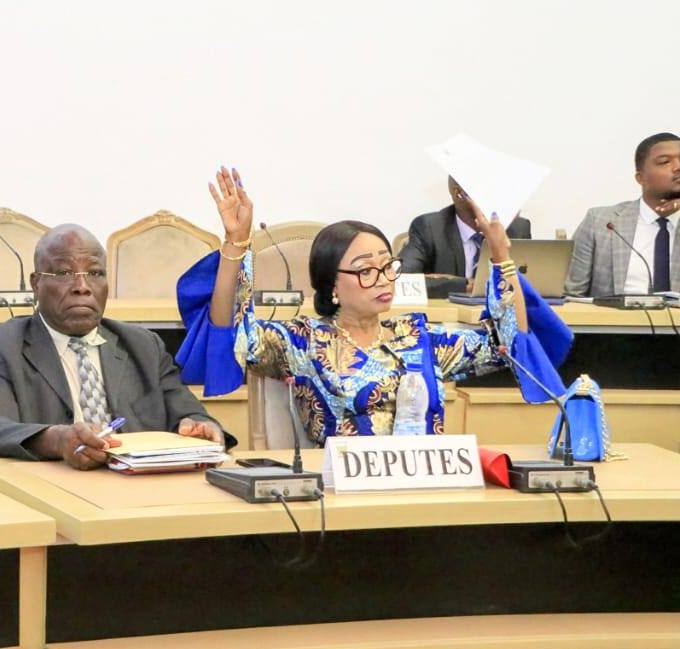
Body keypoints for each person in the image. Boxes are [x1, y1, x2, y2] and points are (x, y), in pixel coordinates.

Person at [174, 167, 570, 446]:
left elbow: (509, 343)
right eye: (365, 270)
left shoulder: (419, 338)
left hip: (425, 491)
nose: (382, 278)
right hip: (342, 497)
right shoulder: (304, 341)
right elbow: (233, 336)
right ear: (332, 284)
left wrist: (501, 256)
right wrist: (236, 244)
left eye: (387, 266)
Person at [0, 224, 235, 470]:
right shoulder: (2, 346)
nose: (82, 287)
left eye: (95, 273)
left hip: (140, 488)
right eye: (64, 273)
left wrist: (200, 426)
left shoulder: (144, 346)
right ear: (36, 284)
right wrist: (57, 440)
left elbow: (189, 414)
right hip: (52, 488)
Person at [564, 132, 680, 297]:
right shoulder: (601, 222)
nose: (677, 167)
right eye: (664, 162)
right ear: (641, 178)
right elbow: (570, 294)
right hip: (615, 313)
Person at [399, 176, 532, 280]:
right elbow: (402, 279)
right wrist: (463, 285)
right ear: (458, 193)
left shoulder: (517, 229)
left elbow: (531, 284)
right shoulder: (429, 228)